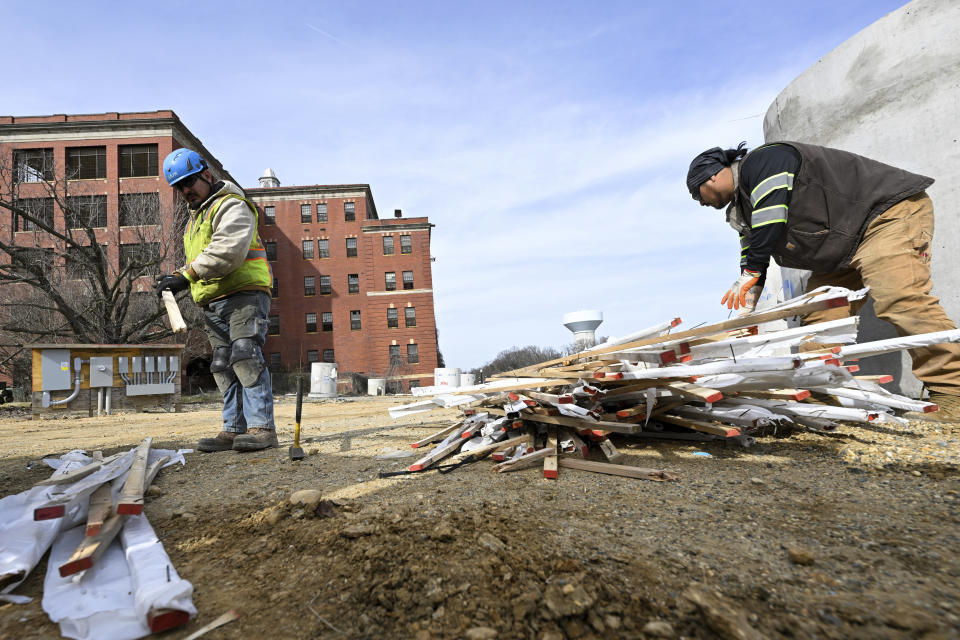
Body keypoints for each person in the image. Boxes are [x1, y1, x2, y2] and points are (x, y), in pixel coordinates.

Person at [686, 141, 960, 421]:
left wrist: (751, 272)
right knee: (821, 317)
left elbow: (770, 219)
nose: (701, 202)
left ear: (713, 176)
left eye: (698, 194)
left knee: (899, 299)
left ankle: (953, 391)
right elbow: (754, 252)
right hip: (841, 248)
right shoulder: (742, 210)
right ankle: (821, 390)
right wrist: (748, 303)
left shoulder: (764, 162)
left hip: (883, 217)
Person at [155, 149, 278, 450]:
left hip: (244, 294)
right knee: (222, 363)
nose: (185, 191)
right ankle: (234, 429)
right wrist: (176, 277)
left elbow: (227, 250)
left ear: (207, 175)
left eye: (189, 182)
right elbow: (201, 260)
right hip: (213, 301)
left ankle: (262, 428)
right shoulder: (193, 221)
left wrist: (186, 275)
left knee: (245, 354)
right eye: (179, 187)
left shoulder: (231, 205)